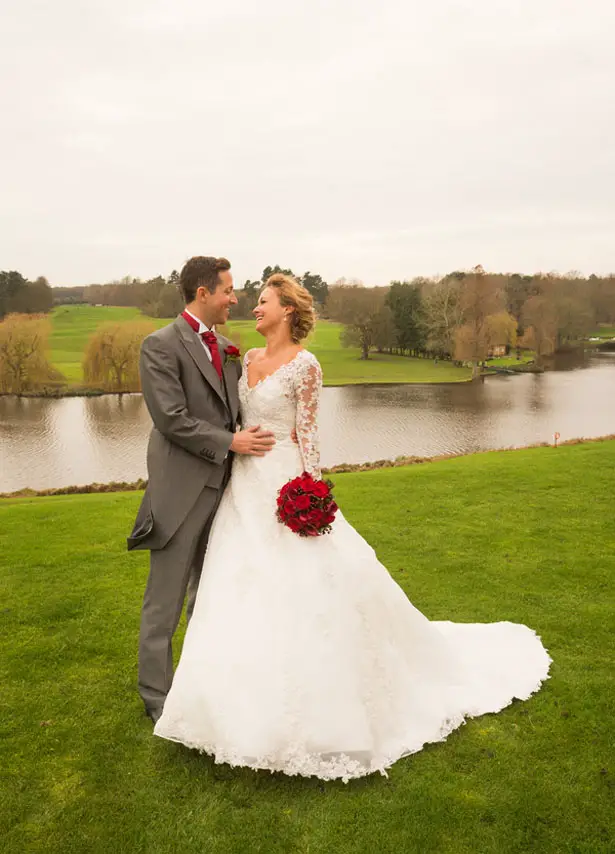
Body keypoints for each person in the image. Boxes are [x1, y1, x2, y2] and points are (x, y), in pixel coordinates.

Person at [154, 274, 551, 782]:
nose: (254, 308)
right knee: (238, 585)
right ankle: (226, 707)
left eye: (263, 302)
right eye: (253, 301)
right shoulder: (246, 359)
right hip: (243, 488)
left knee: (307, 586)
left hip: (286, 482)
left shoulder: (306, 365)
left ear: (288, 311)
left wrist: (311, 493)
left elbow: (308, 434)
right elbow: (233, 418)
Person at [127, 256, 276, 724]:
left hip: (229, 494)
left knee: (210, 596)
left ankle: (202, 683)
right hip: (180, 494)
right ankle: (157, 698)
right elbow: (171, 419)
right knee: (165, 602)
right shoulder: (160, 345)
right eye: (229, 290)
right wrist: (231, 442)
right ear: (202, 293)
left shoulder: (230, 349)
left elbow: (241, 412)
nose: (236, 299)